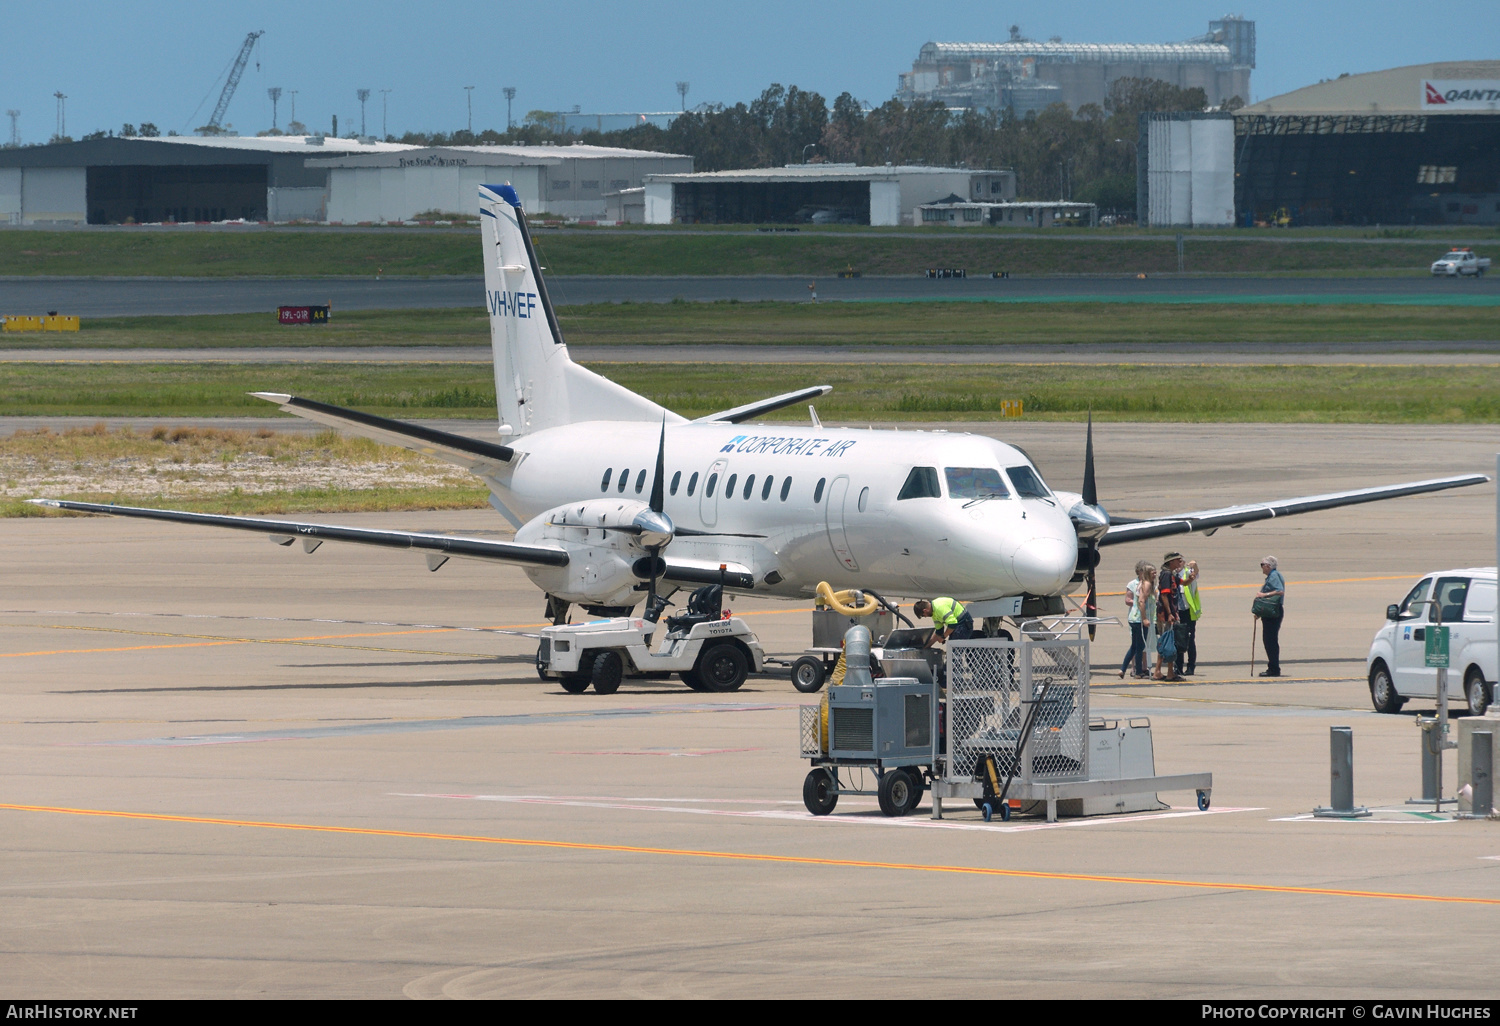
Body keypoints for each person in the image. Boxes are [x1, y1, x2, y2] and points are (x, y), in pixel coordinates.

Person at [1118, 560, 1152, 678]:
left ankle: (1123, 669)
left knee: (1134, 646)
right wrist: (1139, 603)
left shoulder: (1146, 583)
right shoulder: (1140, 584)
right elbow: (1131, 600)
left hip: (1136, 617)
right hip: (1138, 617)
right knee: (1140, 646)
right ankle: (1138, 671)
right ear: (1139, 572)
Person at [1254, 555, 1285, 677]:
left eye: (1262, 565)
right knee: (1269, 640)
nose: (1261, 567)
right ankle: (1273, 666)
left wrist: (1263, 595)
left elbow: (1279, 591)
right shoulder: (1272, 576)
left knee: (1270, 641)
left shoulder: (1274, 576)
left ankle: (1274, 668)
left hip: (1274, 612)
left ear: (1268, 566)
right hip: (1269, 612)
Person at [1153, 559, 1181, 681]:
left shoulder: (1172, 574)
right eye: (1177, 560)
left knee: (1165, 642)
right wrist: (1170, 613)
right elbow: (1164, 595)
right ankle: (1169, 672)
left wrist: (1191, 577)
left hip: (1169, 613)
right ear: (1170, 562)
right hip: (1165, 615)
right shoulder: (1167, 574)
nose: (1180, 562)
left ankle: (1158, 671)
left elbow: (1183, 583)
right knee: (1169, 642)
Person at [1176, 558, 1201, 676]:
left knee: (1190, 640)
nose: (1178, 564)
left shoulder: (1188, 572)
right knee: (1177, 640)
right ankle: (1178, 666)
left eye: (1180, 561)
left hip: (1188, 611)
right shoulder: (1171, 574)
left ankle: (1191, 667)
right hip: (1176, 612)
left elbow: (1196, 573)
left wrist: (1194, 566)